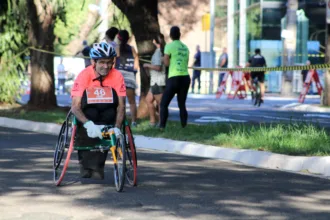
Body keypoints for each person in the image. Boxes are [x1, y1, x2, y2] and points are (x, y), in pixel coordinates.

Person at [71, 42, 126, 179]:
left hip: (108, 110)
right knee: (91, 116)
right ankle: (85, 165)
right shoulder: (84, 75)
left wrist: (118, 127)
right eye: (102, 62)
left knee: (108, 117)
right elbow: (75, 106)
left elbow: (121, 105)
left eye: (109, 62)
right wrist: (88, 123)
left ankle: (97, 166)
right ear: (93, 62)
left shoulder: (117, 76)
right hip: (88, 111)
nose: (106, 66)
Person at [160, 26, 190, 129]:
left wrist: (163, 59)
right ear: (179, 35)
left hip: (174, 77)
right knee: (182, 104)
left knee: (164, 104)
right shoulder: (185, 47)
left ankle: (162, 127)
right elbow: (186, 62)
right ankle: (184, 126)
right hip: (185, 78)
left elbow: (167, 63)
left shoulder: (169, 46)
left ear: (171, 35)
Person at [115, 30, 139, 127]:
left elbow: (113, 63)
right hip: (130, 76)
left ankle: (120, 121)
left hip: (119, 77)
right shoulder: (132, 49)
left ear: (118, 38)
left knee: (120, 102)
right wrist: (134, 71)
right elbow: (136, 60)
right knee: (132, 102)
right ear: (128, 38)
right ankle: (134, 122)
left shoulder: (117, 48)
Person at [143, 33, 167, 127]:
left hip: (158, 81)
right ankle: (152, 121)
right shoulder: (161, 51)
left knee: (160, 103)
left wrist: (147, 65)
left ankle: (161, 123)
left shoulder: (158, 53)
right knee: (148, 100)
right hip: (155, 81)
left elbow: (158, 67)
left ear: (154, 41)